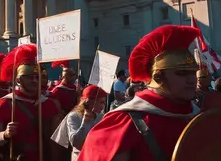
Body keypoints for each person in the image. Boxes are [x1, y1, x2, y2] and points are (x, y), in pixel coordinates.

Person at [76, 25, 201, 161]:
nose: (192, 80)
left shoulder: (200, 116)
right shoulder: (122, 123)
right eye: (181, 73)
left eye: (193, 72)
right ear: (158, 77)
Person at [0, 44, 63, 161]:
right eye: (29, 77)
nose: (34, 81)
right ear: (18, 80)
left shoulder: (49, 104)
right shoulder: (6, 104)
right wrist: (4, 134)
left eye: (37, 77)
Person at [52, 85, 108, 160]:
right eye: (101, 102)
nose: (103, 106)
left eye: (104, 103)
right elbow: (77, 143)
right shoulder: (74, 116)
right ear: (88, 101)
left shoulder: (101, 116)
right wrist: (86, 122)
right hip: (80, 157)